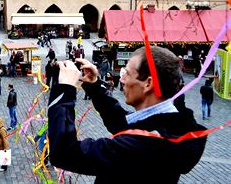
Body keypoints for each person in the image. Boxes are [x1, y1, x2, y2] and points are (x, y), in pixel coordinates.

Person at [47, 46, 207, 182]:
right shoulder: (170, 122)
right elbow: (121, 123)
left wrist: (64, 90)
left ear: (148, 83)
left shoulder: (147, 145)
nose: (121, 80)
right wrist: (95, 86)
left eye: (127, 73)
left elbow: (64, 153)